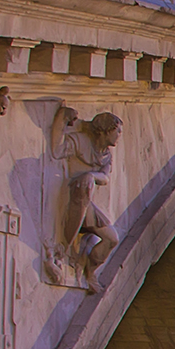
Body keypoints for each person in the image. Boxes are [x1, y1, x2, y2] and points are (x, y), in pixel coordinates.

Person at [47, 106, 122, 291]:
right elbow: (56, 152)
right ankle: (65, 251)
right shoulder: (80, 142)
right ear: (106, 130)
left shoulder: (106, 155)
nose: (119, 135)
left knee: (112, 239)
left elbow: (104, 178)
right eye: (117, 131)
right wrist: (60, 121)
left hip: (87, 202)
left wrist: (91, 176)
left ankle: (90, 271)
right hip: (71, 197)